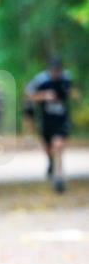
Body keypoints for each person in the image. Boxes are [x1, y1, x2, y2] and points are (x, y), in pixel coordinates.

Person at [24, 57, 77, 192]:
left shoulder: (67, 78)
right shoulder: (41, 80)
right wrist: (43, 96)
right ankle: (51, 162)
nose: (56, 73)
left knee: (58, 145)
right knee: (48, 148)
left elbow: (76, 93)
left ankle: (59, 176)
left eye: (58, 70)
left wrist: (71, 94)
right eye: (54, 70)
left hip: (61, 119)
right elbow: (28, 95)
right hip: (46, 120)